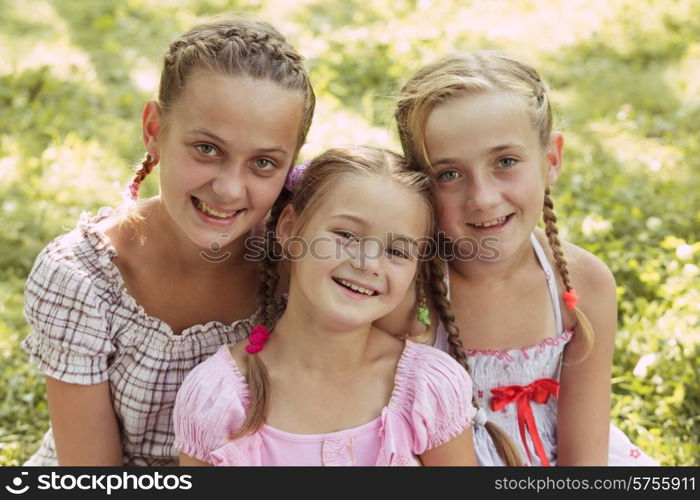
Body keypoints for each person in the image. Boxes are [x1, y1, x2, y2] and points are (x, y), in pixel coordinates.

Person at [21, 16, 315, 466]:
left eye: (263, 163)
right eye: (207, 149)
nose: (229, 189)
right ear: (155, 130)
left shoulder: (299, 271)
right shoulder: (82, 280)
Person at [385, 51, 657, 465]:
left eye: (506, 162)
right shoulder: (405, 295)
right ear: (419, 184)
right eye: (449, 174)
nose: (483, 197)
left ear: (551, 159)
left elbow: (584, 458)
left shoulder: (582, 285)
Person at [173, 146, 479, 466]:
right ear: (291, 229)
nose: (367, 263)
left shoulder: (428, 389)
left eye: (398, 251)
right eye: (346, 234)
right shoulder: (218, 398)